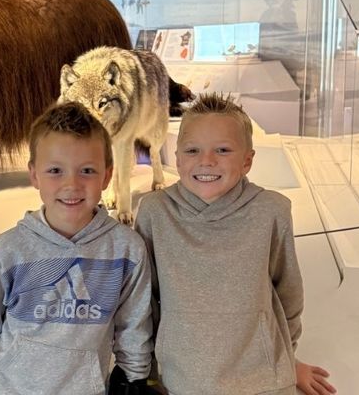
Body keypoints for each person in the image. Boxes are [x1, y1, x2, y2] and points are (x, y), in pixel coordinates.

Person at [134, 92, 336, 395]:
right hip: (181, 381)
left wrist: (287, 359)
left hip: (264, 381)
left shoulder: (272, 210)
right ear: (177, 158)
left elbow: (288, 292)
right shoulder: (154, 212)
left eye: (223, 150)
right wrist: (146, 375)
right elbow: (144, 300)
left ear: (247, 161)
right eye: (192, 150)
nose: (207, 161)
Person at [0, 102, 152, 395]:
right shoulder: (7, 251)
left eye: (87, 170)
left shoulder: (127, 250)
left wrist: (134, 379)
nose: (71, 184)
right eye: (55, 170)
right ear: (34, 175)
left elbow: (133, 325)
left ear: (106, 176)